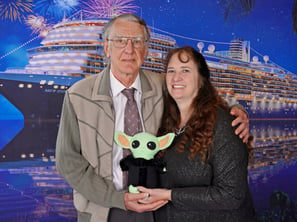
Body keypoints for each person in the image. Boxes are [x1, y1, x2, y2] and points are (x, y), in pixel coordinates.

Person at [55, 14, 250, 222]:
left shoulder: (163, 85)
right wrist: (116, 198)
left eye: (137, 42)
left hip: (156, 208)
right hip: (102, 209)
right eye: (120, 41)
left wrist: (236, 109)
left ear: (146, 49)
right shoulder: (78, 95)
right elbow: (67, 162)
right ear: (107, 47)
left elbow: (198, 92)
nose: (129, 50)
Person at [134, 46, 256, 221]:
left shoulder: (224, 125)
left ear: (201, 79)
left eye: (185, 70)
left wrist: (170, 195)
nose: (176, 77)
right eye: (171, 71)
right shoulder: (165, 123)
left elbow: (231, 194)